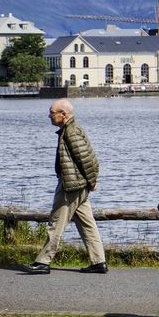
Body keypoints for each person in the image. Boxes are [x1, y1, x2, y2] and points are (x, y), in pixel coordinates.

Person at [23, 99, 107, 275]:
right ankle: (99, 262)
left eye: (52, 112)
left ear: (64, 114)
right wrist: (90, 182)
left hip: (71, 185)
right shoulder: (70, 130)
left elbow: (87, 159)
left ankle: (43, 262)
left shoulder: (71, 132)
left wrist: (92, 181)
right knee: (87, 224)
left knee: (56, 223)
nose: (49, 115)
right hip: (77, 184)